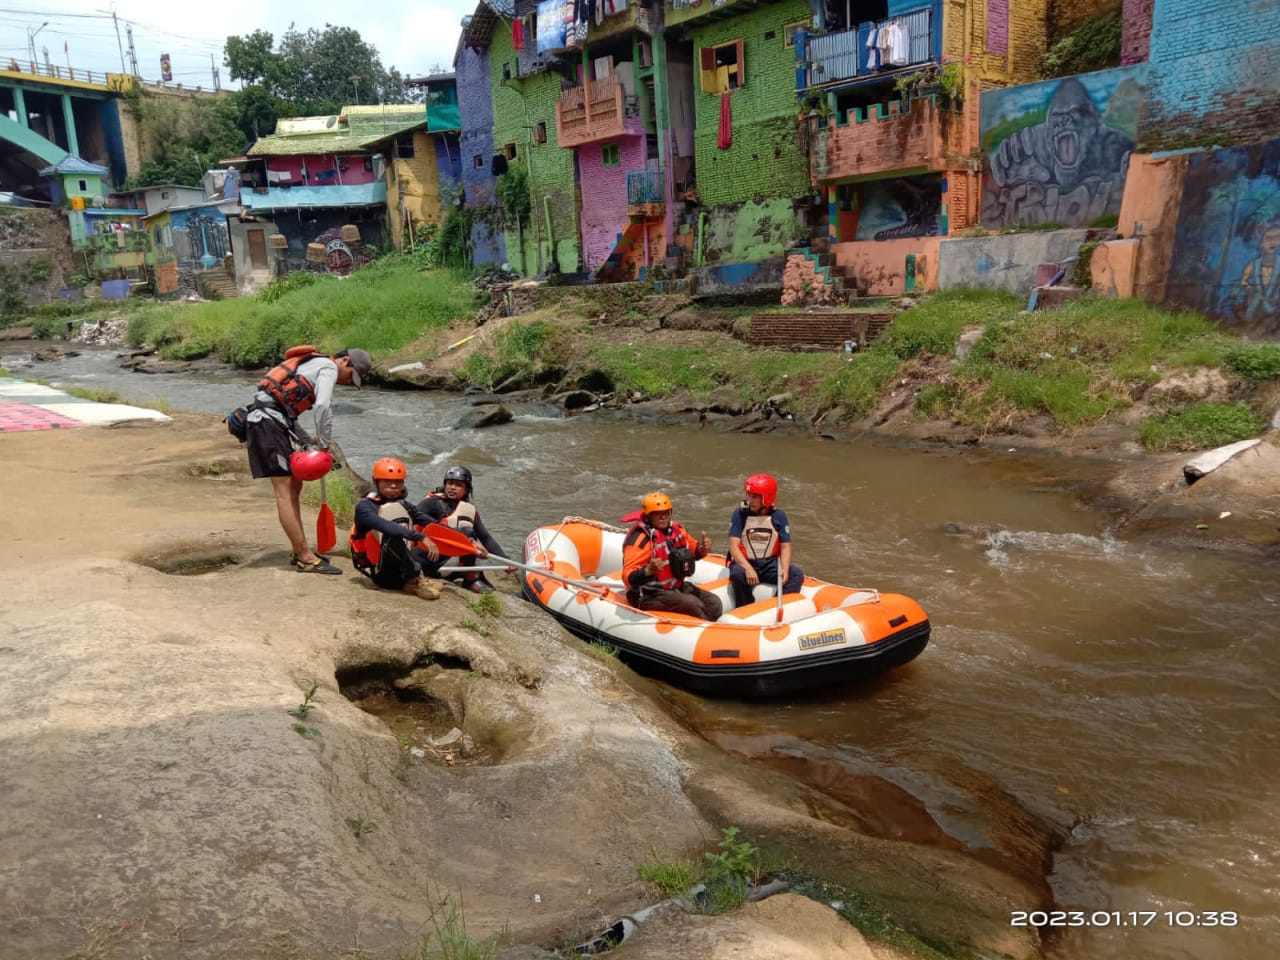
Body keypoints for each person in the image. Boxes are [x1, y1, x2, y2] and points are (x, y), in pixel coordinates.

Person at [243, 344, 372, 574]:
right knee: (284, 491)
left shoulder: (313, 364)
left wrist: (306, 439)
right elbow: (322, 405)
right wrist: (324, 444)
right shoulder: (328, 367)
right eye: (351, 377)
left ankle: (299, 548)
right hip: (266, 425)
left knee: (295, 486)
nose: (348, 382)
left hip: (270, 422)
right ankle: (304, 556)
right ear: (344, 361)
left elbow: (282, 407)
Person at [622, 492, 722, 621]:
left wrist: (702, 550)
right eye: (658, 514)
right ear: (648, 516)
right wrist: (647, 570)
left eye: (666, 513)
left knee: (714, 603)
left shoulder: (677, 530)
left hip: (675, 587)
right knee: (693, 604)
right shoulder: (640, 540)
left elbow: (693, 550)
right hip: (648, 593)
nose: (663, 517)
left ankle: (711, 626)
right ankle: (707, 631)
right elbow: (628, 577)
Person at [416, 465, 513, 593]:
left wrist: (505, 560)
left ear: (467, 489)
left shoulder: (469, 509)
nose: (452, 488)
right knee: (468, 532)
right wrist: (470, 540)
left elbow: (485, 537)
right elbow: (414, 520)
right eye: (450, 483)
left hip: (447, 561)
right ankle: (470, 579)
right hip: (427, 559)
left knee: (470, 535)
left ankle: (470, 578)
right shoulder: (432, 503)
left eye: (458, 485)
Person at [726, 473, 804, 609]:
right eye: (749, 495)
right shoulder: (739, 514)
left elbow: (785, 547)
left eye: (755, 496)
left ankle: (773, 609)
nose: (750, 500)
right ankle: (745, 609)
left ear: (767, 498)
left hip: (769, 564)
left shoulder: (779, 516)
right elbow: (734, 547)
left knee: (795, 574)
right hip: (745, 562)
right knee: (737, 574)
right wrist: (748, 568)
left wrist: (785, 568)